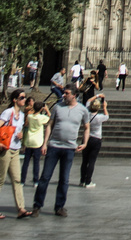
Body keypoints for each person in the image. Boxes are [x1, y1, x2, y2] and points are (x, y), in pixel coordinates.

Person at [33, 83, 90, 217]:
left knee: (64, 179)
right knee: (45, 177)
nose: (64, 95)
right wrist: (45, 143)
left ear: (74, 95)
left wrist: (85, 143)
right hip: (54, 146)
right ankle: (37, 205)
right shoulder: (58, 107)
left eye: (67, 93)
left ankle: (59, 206)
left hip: (70, 148)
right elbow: (49, 125)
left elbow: (87, 127)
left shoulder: (82, 110)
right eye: (64, 93)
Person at [0, 89, 33, 217]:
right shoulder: (8, 112)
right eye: (21, 97)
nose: (24, 100)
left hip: (15, 149)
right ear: (15, 100)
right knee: (1, 179)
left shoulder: (23, 115)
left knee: (17, 179)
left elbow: (19, 131)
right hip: (5, 149)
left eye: (25, 97)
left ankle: (21, 209)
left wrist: (20, 135)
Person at [80, 95, 109, 188]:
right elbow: (107, 116)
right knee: (91, 161)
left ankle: (82, 180)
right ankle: (88, 181)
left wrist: (97, 96)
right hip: (96, 139)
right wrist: (105, 107)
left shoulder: (86, 114)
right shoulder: (99, 117)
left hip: (86, 138)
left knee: (84, 160)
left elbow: (88, 100)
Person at [21, 99, 51, 187]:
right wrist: (46, 109)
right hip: (37, 142)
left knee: (26, 162)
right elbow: (50, 117)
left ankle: (22, 180)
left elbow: (29, 112)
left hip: (29, 140)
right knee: (36, 162)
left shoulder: (30, 117)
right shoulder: (42, 118)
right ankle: (35, 180)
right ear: (41, 109)